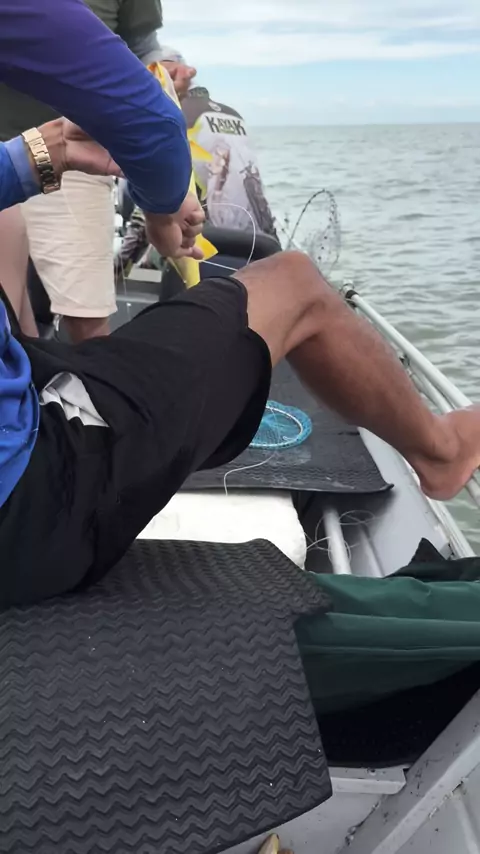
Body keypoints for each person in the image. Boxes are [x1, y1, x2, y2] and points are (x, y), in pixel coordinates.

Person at [1, 0, 480, 612]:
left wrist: (31, 158)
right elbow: (146, 115)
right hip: (26, 507)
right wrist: (163, 208)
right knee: (295, 283)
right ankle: (441, 453)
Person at [0, 0, 164, 342]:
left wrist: (162, 74)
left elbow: (143, 47)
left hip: (77, 157)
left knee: (85, 317)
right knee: (13, 311)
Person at [116, 44, 278, 278]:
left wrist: (120, 266)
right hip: (259, 245)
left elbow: (150, 203)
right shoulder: (233, 115)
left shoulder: (170, 116)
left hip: (205, 247)